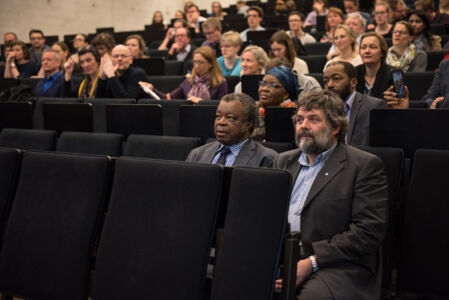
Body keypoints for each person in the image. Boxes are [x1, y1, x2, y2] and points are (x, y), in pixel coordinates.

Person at [273, 89, 388, 299]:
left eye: (313, 119)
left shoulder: (364, 165)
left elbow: (368, 231)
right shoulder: (283, 161)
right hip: (284, 256)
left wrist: (312, 262)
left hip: (338, 264)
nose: (303, 126)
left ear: (335, 127)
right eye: (299, 119)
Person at [186, 93, 278, 167]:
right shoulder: (197, 155)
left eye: (230, 117)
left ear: (248, 124)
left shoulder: (267, 159)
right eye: (218, 116)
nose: (221, 122)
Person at [324, 61, 387, 146]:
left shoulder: (374, 106)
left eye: (336, 79)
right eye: (326, 81)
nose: (329, 85)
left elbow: (382, 147)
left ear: (353, 82)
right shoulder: (322, 108)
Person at [141, 46, 228, 103]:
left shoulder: (220, 83)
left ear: (210, 64)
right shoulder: (188, 82)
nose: (197, 66)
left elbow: (222, 107)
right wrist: (152, 89)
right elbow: (169, 98)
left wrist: (201, 102)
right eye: (195, 62)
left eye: (201, 62)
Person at [253, 65, 299, 139]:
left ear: (286, 94)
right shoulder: (250, 109)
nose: (264, 89)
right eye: (263, 83)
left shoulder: (297, 114)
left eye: (273, 85)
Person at [356, 32, 394, 98]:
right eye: (363, 47)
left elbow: (399, 103)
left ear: (382, 52)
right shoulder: (353, 72)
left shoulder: (395, 74)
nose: (367, 51)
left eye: (373, 47)